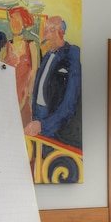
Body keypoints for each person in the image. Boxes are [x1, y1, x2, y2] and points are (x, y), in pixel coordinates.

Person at [24, 15, 81, 149]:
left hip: (57, 125)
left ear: (60, 32)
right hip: (39, 118)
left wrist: (44, 125)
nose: (44, 36)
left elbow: (70, 102)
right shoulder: (48, 55)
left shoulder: (72, 53)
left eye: (48, 31)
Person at [3, 6, 40, 126]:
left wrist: (26, 97)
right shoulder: (5, 47)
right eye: (12, 21)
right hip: (7, 97)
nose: (14, 24)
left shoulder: (32, 45)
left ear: (24, 24)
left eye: (18, 21)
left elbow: (34, 73)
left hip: (25, 99)